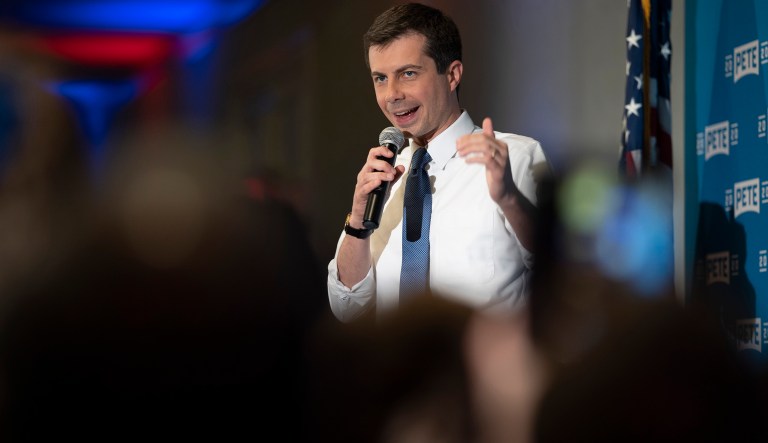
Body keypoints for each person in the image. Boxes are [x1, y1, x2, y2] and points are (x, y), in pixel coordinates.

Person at [326, 2, 548, 322]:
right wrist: (359, 220)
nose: (392, 95)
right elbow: (346, 307)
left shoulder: (515, 157)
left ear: (453, 74)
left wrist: (509, 198)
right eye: (380, 78)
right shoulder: (383, 176)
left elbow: (557, 275)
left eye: (408, 74)